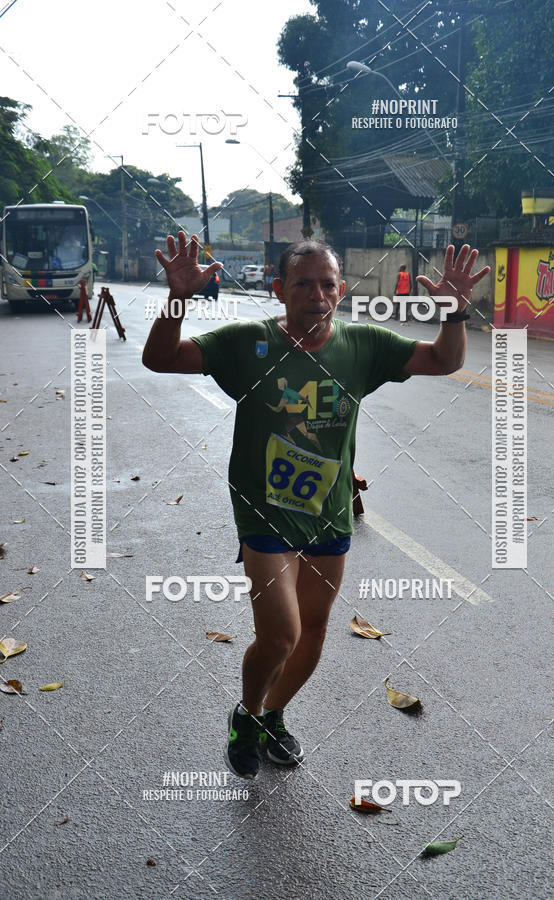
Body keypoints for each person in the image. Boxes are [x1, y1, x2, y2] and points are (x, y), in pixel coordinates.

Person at [142, 232, 489, 780]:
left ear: (341, 290)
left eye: (327, 284)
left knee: (314, 632)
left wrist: (453, 311)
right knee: (280, 633)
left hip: (328, 513)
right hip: (264, 513)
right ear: (280, 290)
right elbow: (160, 358)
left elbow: (444, 360)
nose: (317, 294)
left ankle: (274, 716)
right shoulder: (245, 343)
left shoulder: (363, 346)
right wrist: (178, 297)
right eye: (303, 284)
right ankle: (248, 713)